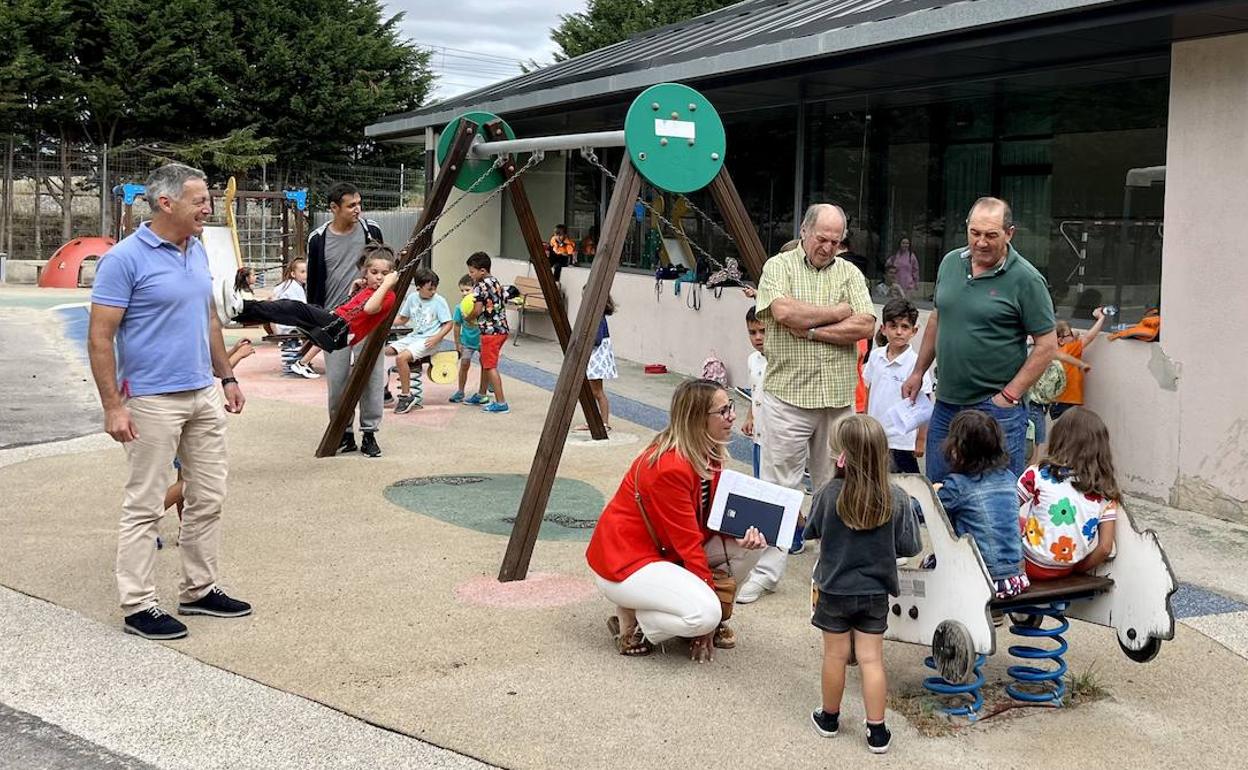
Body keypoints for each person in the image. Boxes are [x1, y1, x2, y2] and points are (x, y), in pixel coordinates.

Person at [88, 162, 250, 641]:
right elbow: (101, 338)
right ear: (166, 203)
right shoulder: (124, 259)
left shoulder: (197, 250)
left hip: (202, 392)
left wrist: (227, 376)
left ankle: (199, 590)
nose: (208, 207)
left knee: (208, 494)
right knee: (144, 504)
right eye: (200, 200)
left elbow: (210, 320)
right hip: (151, 400)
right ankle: (139, 605)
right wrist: (113, 406)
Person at [738, 203, 876, 604]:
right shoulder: (778, 268)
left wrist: (811, 330)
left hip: (836, 401)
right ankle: (766, 572)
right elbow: (781, 311)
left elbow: (865, 324)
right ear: (805, 232)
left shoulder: (851, 273)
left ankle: (830, 569)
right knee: (777, 488)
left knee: (835, 489)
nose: (829, 247)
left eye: (836, 241)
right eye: (822, 239)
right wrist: (835, 313)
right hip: (788, 397)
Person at [586, 380, 768, 662]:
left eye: (730, 407)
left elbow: (709, 519)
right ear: (698, 419)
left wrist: (741, 534)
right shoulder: (669, 466)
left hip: (662, 553)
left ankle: (683, 612)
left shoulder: (707, 449)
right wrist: (705, 623)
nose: (732, 415)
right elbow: (688, 544)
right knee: (705, 615)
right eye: (723, 411)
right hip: (628, 562)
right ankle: (635, 619)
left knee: (753, 544)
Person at [902, 197, 1057, 482]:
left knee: (995, 497)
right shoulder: (950, 263)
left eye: (991, 235)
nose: (981, 242)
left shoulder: (1026, 279)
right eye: (975, 233)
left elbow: (1047, 345)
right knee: (940, 494)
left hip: (995, 410)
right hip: (946, 403)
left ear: (1010, 233)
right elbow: (938, 318)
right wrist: (918, 372)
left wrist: (1009, 395)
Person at [805, 415, 921, 754]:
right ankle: (877, 731)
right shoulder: (896, 497)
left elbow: (811, 531)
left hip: (834, 590)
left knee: (835, 655)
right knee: (871, 660)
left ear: (843, 453)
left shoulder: (829, 493)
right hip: (874, 593)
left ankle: (829, 718)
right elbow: (911, 546)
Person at [222, 246, 399, 398]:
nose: (379, 278)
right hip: (337, 324)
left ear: (391, 277)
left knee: (295, 308)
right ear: (365, 273)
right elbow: (355, 309)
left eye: (385, 274)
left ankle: (241, 307)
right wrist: (354, 291)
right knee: (289, 312)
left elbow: (369, 309)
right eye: (374, 272)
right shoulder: (368, 290)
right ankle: (239, 314)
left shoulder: (388, 295)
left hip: (341, 330)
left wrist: (386, 285)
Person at [305, 182, 387, 457]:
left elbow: (384, 268)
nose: (358, 209)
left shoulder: (370, 230)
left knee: (372, 376)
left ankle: (370, 433)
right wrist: (314, 323)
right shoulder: (318, 238)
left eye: (359, 203)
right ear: (333, 208)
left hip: (369, 316)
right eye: (351, 205)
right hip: (335, 319)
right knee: (337, 381)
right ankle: (344, 432)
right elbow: (314, 284)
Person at [935, 411, 1029, 600]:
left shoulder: (957, 486)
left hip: (982, 578)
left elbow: (923, 511)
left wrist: (934, 492)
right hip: (1015, 577)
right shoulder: (1008, 477)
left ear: (956, 449)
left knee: (931, 565)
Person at [1017, 407, 1119, 580]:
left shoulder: (1038, 474)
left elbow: (1005, 510)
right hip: (1066, 568)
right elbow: (1105, 548)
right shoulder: (1105, 490)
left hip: (1030, 563)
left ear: (1059, 439)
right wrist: (1077, 569)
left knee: (1014, 521)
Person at [863, 298, 932, 474]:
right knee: (875, 478)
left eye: (905, 327)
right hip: (876, 435)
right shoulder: (876, 356)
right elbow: (870, 391)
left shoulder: (916, 364)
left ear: (914, 331)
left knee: (907, 484)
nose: (899, 332)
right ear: (883, 329)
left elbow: (925, 404)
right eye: (893, 326)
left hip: (903, 440)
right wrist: (866, 423)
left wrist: (920, 440)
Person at [387, 268, 452, 414]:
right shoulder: (412, 298)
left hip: (429, 341)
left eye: (435, 288)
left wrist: (437, 338)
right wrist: (386, 322)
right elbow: (403, 319)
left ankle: (406, 396)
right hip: (414, 337)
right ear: (418, 288)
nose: (433, 291)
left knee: (401, 358)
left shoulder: (439, 301)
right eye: (430, 288)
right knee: (384, 352)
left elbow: (448, 323)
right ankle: (383, 389)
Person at [465, 252, 511, 413]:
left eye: (472, 271)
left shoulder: (480, 285)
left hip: (491, 331)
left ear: (482, 271)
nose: (470, 275)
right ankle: (481, 394)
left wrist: (468, 317)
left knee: (490, 365)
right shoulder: (495, 281)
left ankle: (501, 402)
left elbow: (477, 309)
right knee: (485, 361)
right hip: (502, 329)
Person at [1050, 307, 1108, 421]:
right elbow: (1089, 337)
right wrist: (1101, 318)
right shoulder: (1069, 349)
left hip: (1058, 401)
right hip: (1068, 401)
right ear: (1060, 340)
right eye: (1070, 334)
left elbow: (1076, 334)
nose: (1074, 335)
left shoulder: (1055, 351)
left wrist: (1071, 334)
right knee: (1070, 433)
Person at [271, 257, 323, 380]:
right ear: (293, 274)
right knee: (324, 333)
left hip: (282, 323)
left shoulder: (285, 285)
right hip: (290, 325)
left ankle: (302, 360)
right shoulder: (295, 288)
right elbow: (302, 309)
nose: (306, 275)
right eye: (302, 272)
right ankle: (302, 362)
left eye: (307, 272)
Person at [580, 294, 618, 431]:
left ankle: (604, 422)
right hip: (595, 358)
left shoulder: (598, 317)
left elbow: (597, 340)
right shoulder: (595, 315)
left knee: (597, 391)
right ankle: (594, 420)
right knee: (593, 391)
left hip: (597, 358)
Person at [450, 274, 487, 405]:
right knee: (464, 364)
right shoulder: (459, 308)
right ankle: (460, 391)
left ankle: (486, 386)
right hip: (467, 341)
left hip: (482, 341)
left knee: (486, 365)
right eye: (462, 290)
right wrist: (457, 343)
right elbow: (456, 325)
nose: (464, 293)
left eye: (467, 290)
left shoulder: (480, 307)